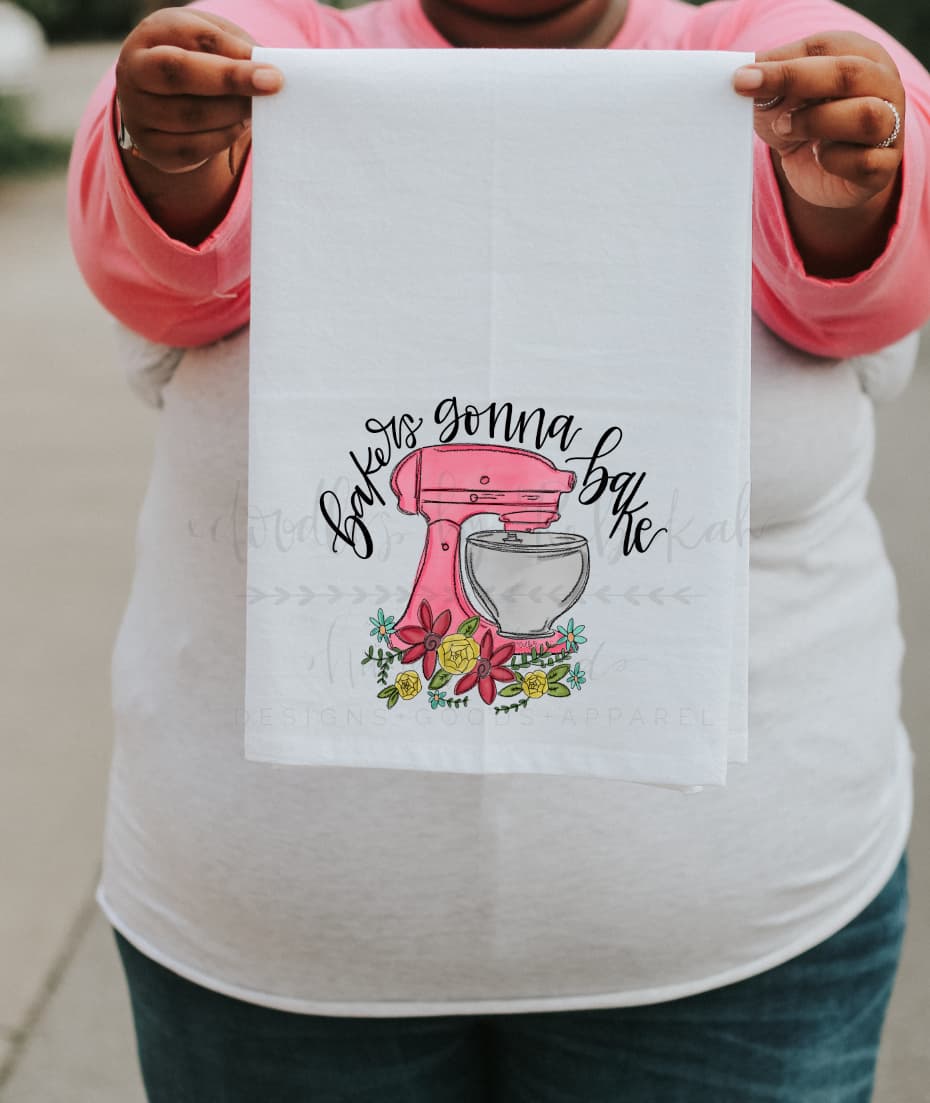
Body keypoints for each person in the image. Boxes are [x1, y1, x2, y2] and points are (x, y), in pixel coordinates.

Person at [68, 0, 929, 1099]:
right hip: (280, 973)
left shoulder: (775, 59)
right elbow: (158, 273)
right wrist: (176, 149)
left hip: (741, 961)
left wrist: (848, 181)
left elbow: (864, 295)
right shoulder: (272, 60)